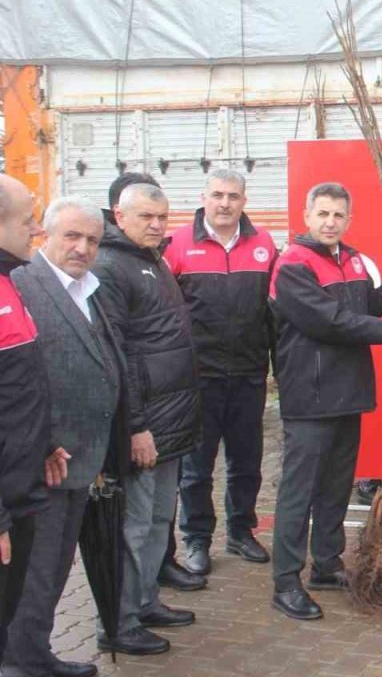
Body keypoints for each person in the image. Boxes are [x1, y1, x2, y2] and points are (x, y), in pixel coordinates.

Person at [268, 182, 382, 621]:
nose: (330, 222)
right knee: (298, 491)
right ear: (307, 215)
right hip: (310, 395)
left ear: (348, 218)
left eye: (338, 215)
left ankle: (327, 564)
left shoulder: (356, 260)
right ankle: (286, 581)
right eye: (322, 213)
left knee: (335, 486)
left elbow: (370, 306)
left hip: (348, 392)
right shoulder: (292, 265)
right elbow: (331, 322)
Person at [6, 198, 126, 677]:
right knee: (36, 570)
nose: (82, 248)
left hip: (82, 455)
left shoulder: (88, 288)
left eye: (92, 240)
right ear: (45, 234)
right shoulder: (23, 285)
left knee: (55, 567)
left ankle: (34, 652)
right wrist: (43, 442)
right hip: (44, 459)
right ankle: (21, 659)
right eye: (71, 236)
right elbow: (23, 380)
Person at [92, 182, 201, 656]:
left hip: (172, 419)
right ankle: (118, 622)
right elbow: (118, 356)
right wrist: (136, 426)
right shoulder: (110, 267)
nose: (157, 225)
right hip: (145, 428)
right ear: (119, 215)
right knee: (133, 527)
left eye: (162, 216)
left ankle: (146, 601)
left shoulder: (152, 260)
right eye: (146, 217)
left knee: (159, 521)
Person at [165, 169, 276, 575]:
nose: (225, 203)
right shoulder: (176, 244)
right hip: (199, 377)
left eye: (233, 196)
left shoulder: (263, 244)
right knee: (196, 468)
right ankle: (196, 540)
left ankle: (241, 531)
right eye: (217, 195)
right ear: (204, 197)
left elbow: (273, 312)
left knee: (247, 462)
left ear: (244, 200)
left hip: (248, 372)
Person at [0, 175, 54, 665]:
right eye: (26, 219)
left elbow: (20, 389)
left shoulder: (10, 283)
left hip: (21, 491)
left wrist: (46, 443)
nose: (37, 229)